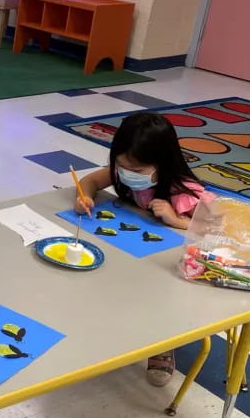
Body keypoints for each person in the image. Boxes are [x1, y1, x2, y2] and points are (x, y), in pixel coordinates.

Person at [75, 112, 209, 387]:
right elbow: (91, 181)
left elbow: (213, 229)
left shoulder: (185, 191)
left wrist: (176, 220)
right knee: (114, 286)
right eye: (122, 166)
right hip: (133, 255)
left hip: (168, 273)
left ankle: (163, 346)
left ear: (163, 162)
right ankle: (124, 327)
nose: (126, 174)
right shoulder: (123, 172)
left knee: (157, 302)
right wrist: (85, 195)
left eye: (136, 171)